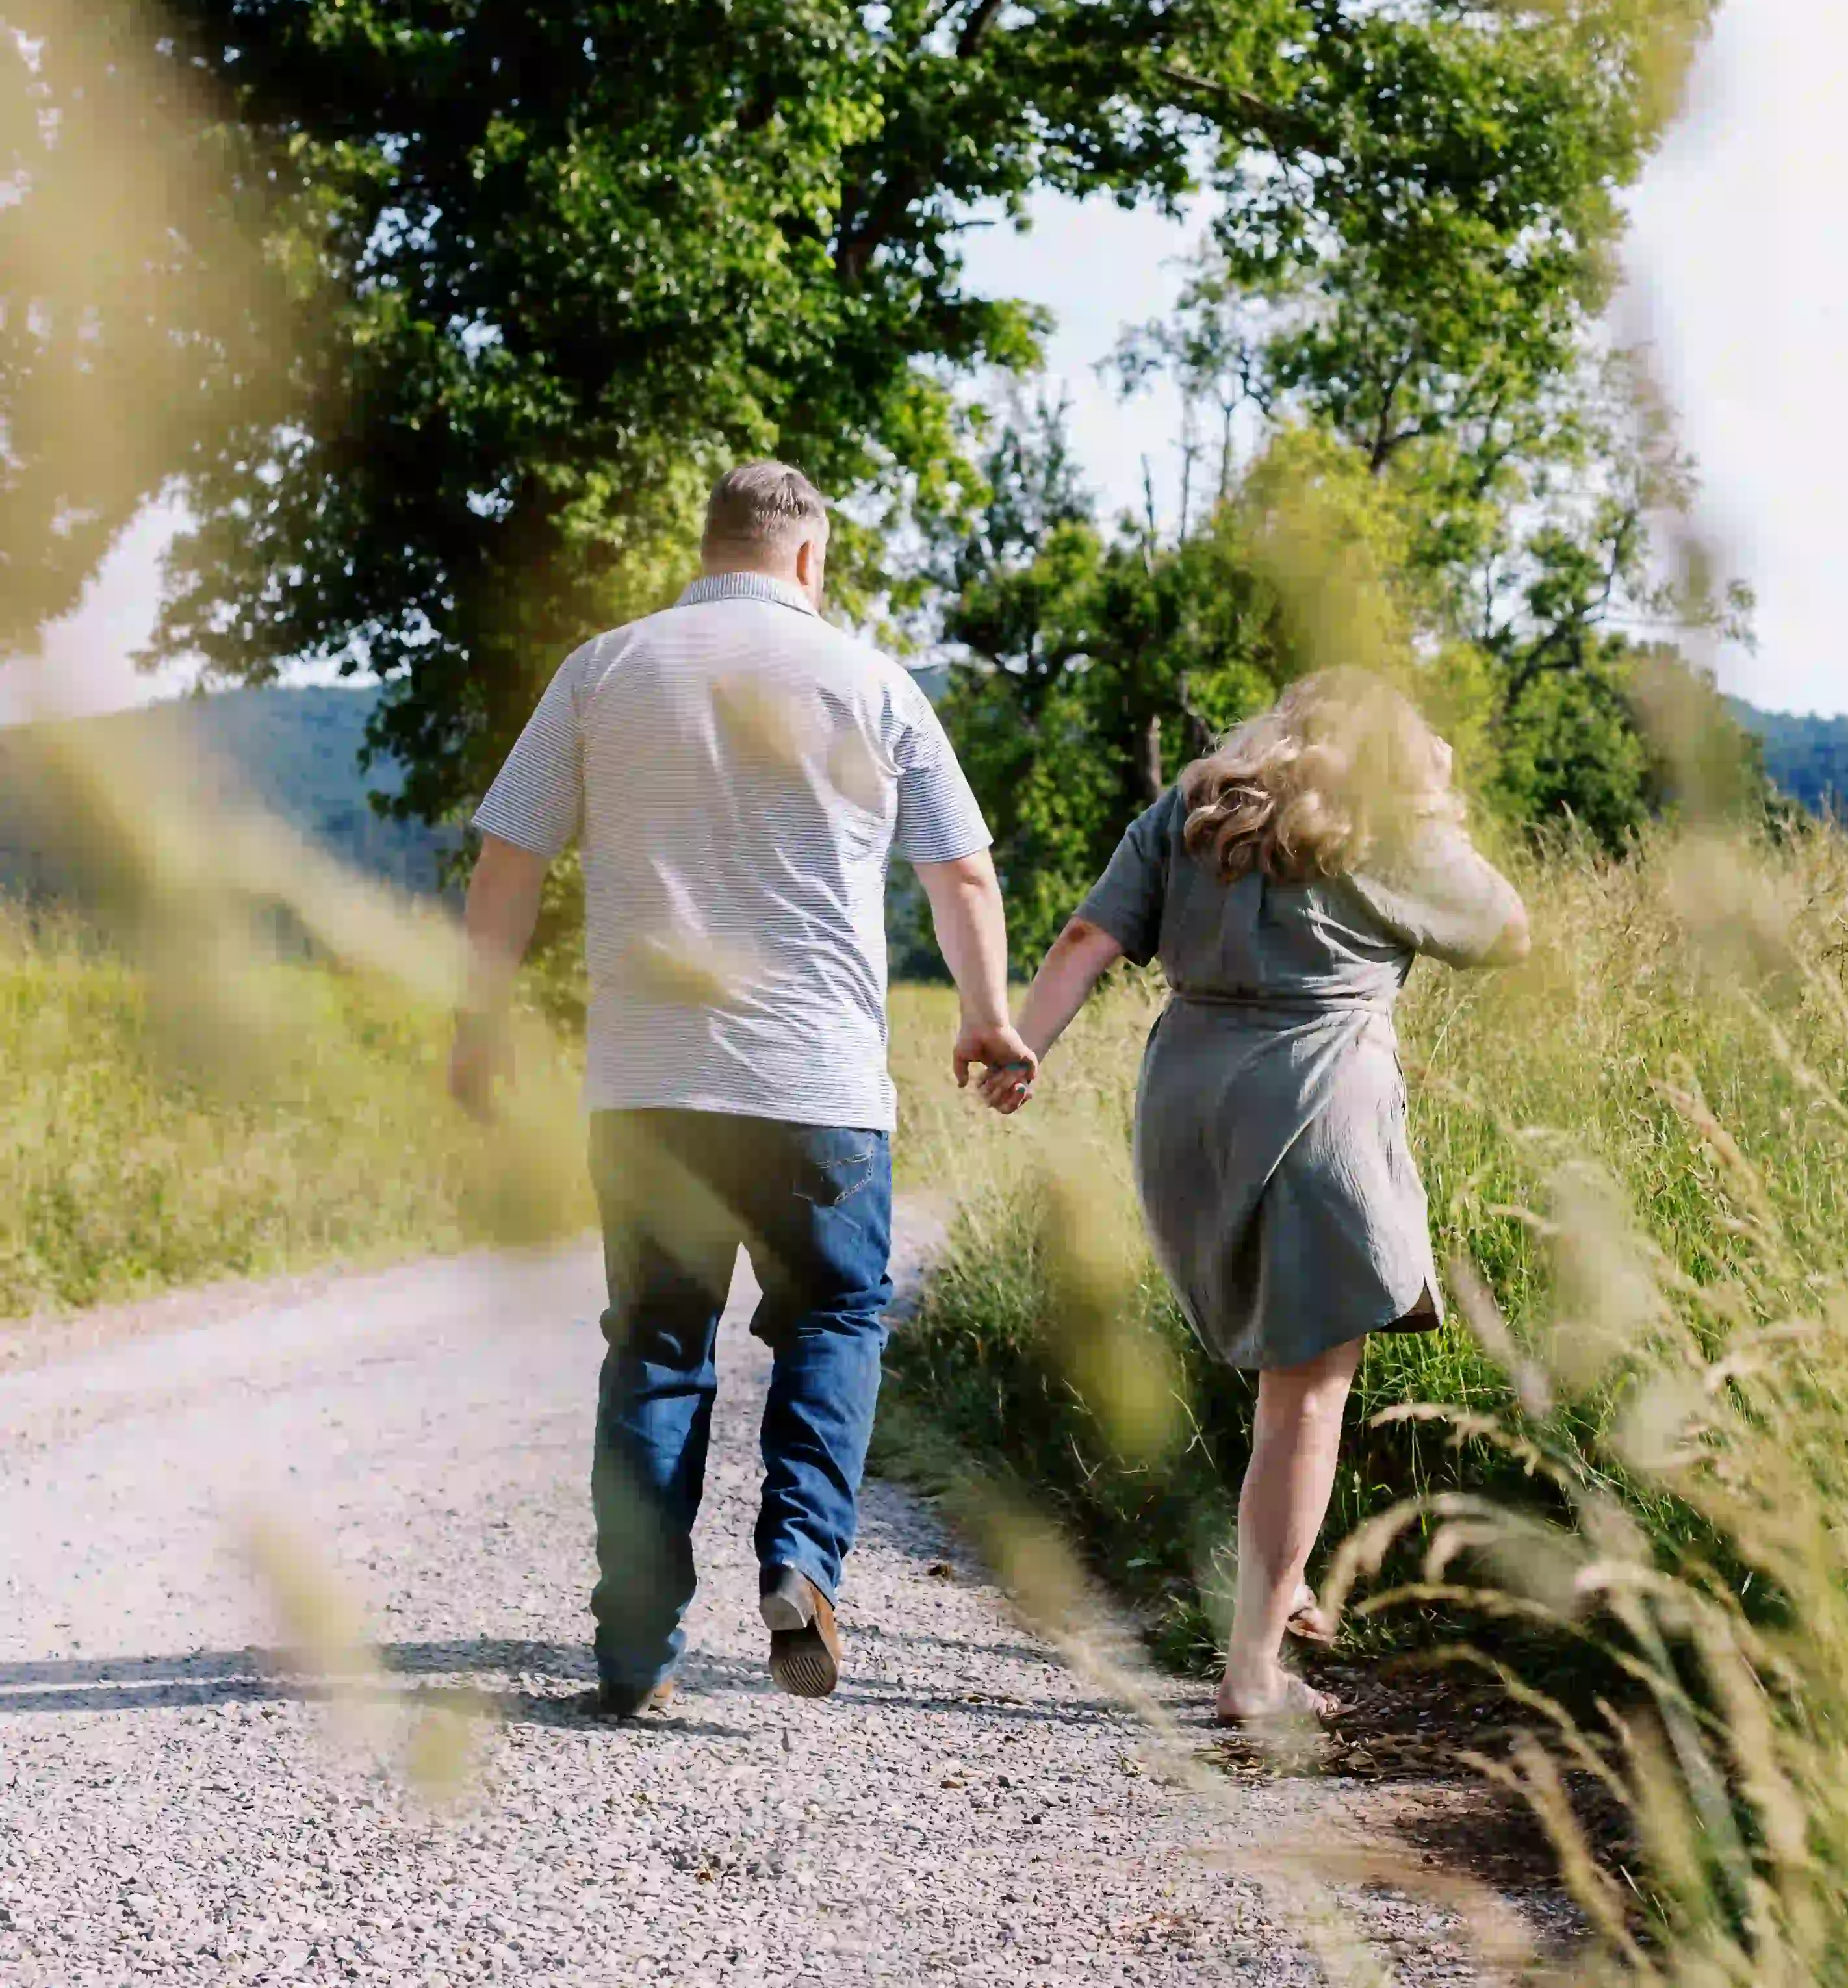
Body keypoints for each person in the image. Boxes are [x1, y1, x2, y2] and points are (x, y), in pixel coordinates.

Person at [450, 461, 1034, 1718]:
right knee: (832, 1317)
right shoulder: (875, 683)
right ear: (812, 560)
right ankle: (800, 1561)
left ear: (704, 545)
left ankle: (636, 1649)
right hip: (818, 1082)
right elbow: (965, 874)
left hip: (650, 1086)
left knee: (659, 1346)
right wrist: (987, 1019)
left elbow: (510, 857)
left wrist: (481, 1021)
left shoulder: (605, 668)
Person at [981, 669, 1529, 1725]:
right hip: (1314, 1100)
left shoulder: (1188, 812)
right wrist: (1431, 796)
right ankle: (1251, 1673)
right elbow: (1509, 931)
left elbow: (1086, 939)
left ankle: (1285, 1581)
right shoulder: (1387, 826)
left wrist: (1024, 1048)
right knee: (1308, 1395)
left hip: (1184, 1102)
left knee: (1275, 1368)